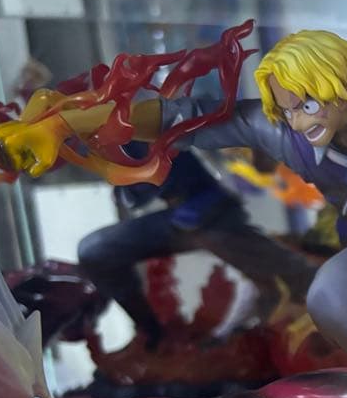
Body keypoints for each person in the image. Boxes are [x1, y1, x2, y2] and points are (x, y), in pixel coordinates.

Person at [0, 31, 347, 372]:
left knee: (336, 290)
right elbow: (182, 119)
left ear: (344, 87)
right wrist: (64, 125)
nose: (299, 121)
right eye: (288, 110)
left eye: (308, 104)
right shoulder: (283, 133)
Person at [78, 146, 317, 349]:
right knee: (96, 251)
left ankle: (310, 289)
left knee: (284, 277)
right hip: (187, 214)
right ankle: (152, 334)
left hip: (210, 211)